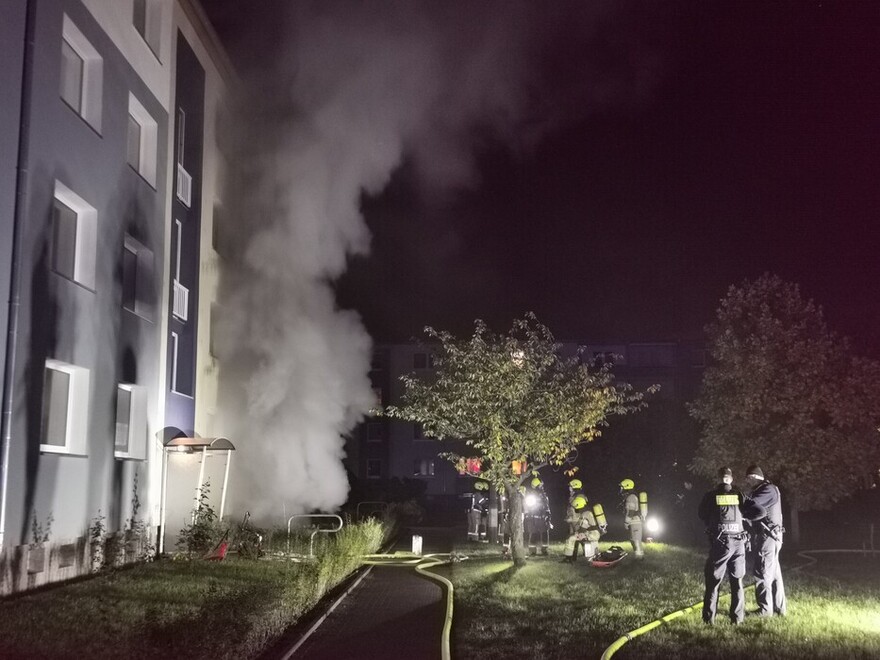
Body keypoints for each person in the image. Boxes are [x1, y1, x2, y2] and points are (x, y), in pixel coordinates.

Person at [698, 467, 765, 625]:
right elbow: (761, 512)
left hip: (721, 543)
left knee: (713, 582)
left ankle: (709, 620)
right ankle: (737, 619)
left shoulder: (711, 496)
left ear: (719, 478)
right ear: (731, 479)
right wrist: (743, 515)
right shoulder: (738, 494)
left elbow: (701, 514)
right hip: (739, 543)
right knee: (737, 582)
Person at [744, 465, 787, 617]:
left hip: (767, 536)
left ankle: (765, 610)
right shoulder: (767, 489)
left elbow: (748, 505)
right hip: (772, 536)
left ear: (753, 477)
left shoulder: (766, 490)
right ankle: (779, 608)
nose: (747, 482)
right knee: (774, 574)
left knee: (762, 571)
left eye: (748, 478)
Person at [561, 495, 601, 562]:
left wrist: (576, 533)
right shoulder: (588, 512)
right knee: (574, 536)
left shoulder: (585, 514)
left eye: (575, 507)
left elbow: (583, 527)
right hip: (593, 534)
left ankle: (568, 558)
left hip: (591, 535)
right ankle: (569, 558)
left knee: (571, 538)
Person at [619, 478, 647, 558]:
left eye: (622, 487)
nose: (621, 489)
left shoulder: (631, 497)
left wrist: (626, 522)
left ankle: (639, 559)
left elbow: (631, 511)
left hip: (635, 522)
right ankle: (638, 557)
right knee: (633, 540)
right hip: (633, 522)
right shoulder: (630, 496)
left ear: (627, 487)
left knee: (636, 541)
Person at [524, 477, 551, 555]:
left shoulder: (544, 495)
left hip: (542, 518)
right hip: (533, 518)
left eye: (542, 485)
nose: (542, 487)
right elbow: (527, 505)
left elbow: (547, 506)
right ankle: (532, 551)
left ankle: (544, 550)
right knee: (533, 534)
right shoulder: (530, 495)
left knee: (545, 533)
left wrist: (548, 515)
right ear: (536, 486)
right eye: (540, 485)